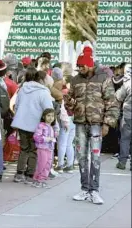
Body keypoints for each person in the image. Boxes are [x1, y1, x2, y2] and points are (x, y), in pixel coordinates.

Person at [64, 47, 119, 205]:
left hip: (96, 124)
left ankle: (94, 190)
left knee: (95, 157)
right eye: (79, 67)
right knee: (81, 157)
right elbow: (69, 101)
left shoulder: (103, 78)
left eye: (83, 66)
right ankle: (84, 189)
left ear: (90, 65)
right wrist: (70, 103)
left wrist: (107, 123)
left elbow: (112, 102)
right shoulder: (75, 80)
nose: (80, 69)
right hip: (80, 123)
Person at [11, 67, 53, 184]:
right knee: (34, 150)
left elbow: (17, 106)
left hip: (22, 123)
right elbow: (49, 110)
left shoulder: (22, 89)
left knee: (24, 149)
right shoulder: (43, 92)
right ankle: (30, 174)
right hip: (37, 125)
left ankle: (19, 173)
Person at [33, 109, 57, 188]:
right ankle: (39, 179)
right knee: (42, 164)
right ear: (44, 116)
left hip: (50, 149)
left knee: (48, 164)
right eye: (48, 116)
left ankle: (41, 178)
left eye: (52, 116)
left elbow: (53, 136)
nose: (50, 118)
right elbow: (36, 137)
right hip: (42, 148)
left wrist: (54, 136)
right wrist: (47, 139)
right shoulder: (41, 125)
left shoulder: (51, 127)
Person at [115, 63, 131, 170]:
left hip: (128, 115)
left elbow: (118, 97)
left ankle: (122, 162)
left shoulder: (127, 83)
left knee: (125, 139)